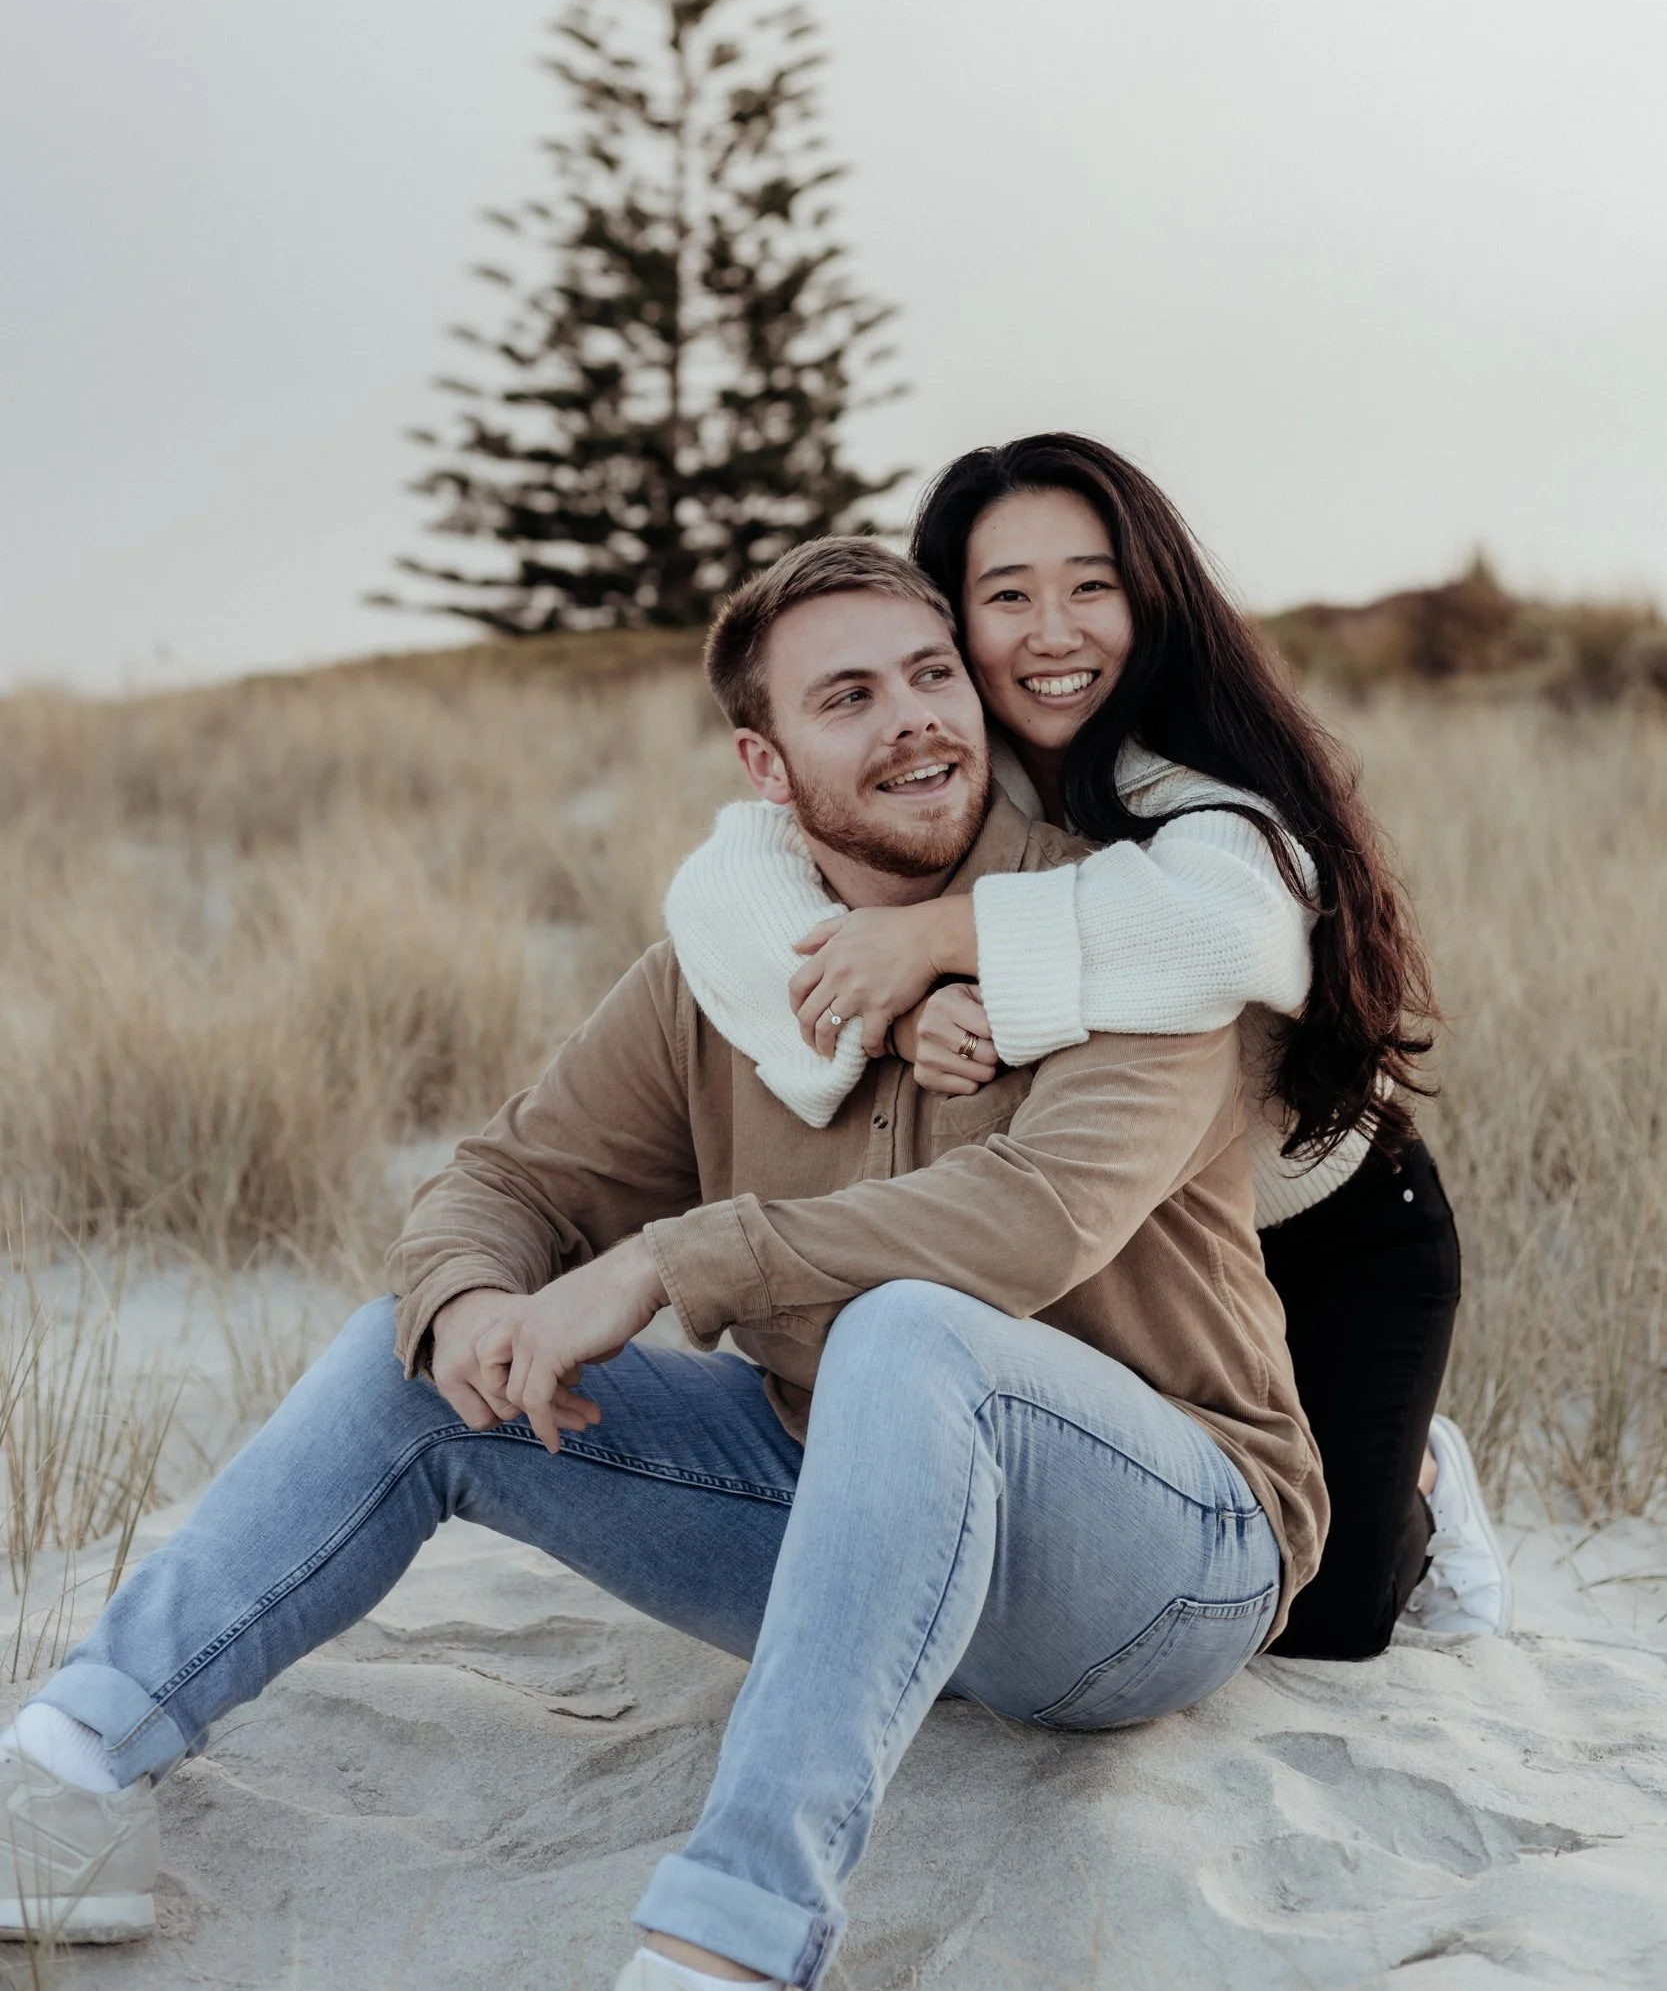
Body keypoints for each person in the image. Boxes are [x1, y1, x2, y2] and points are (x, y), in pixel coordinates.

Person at [2, 540, 1326, 1984]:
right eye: (849, 698)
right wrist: (468, 1301)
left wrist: (662, 1264)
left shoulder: (1121, 938)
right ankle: (69, 1768)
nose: (914, 721)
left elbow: (1030, 1223)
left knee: (908, 1330)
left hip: (1159, 1560)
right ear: (766, 766)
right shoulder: (728, 970)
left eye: (934, 676)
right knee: (421, 1355)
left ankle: (728, 1946)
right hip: (841, 1508)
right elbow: (504, 1181)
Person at [662, 435, 1510, 1659]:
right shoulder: (938, 757)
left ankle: (1425, 1477)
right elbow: (718, 888)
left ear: (1146, 596)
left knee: (1326, 1618)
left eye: (1089, 586)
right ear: (949, 618)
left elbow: (1228, 936)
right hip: (1137, 1238)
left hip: (1331, 1220)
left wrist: (939, 933)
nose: (1051, 632)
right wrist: (894, 1005)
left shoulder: (1195, 780)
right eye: (1006, 596)